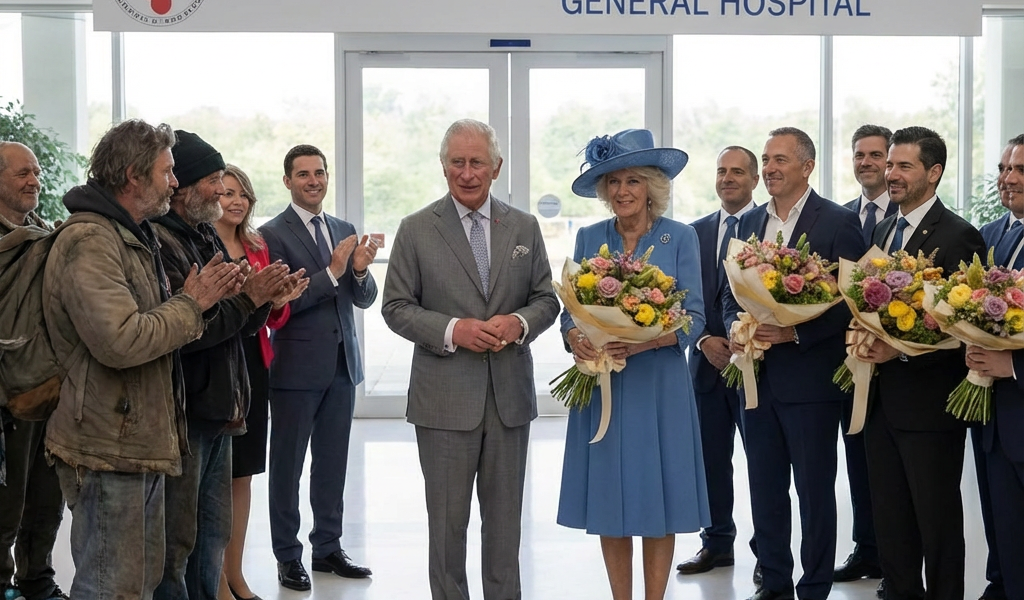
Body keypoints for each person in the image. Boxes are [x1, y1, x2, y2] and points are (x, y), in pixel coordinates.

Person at [43, 119, 242, 599]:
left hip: (138, 440)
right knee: (111, 585)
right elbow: (121, 341)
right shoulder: (90, 240)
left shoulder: (131, 234)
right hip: (107, 445)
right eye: (166, 171)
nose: (174, 182)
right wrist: (192, 304)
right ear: (133, 176)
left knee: (141, 581)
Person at [381, 119, 559, 600]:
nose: (466, 172)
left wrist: (518, 323)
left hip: (508, 402)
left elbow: (546, 299)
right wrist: (452, 330)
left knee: (505, 528)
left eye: (476, 162)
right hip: (442, 403)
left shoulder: (524, 226)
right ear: (443, 167)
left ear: (495, 167)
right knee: (446, 530)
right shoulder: (415, 229)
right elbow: (395, 307)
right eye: (456, 162)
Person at [556, 128, 708, 600]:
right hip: (604, 386)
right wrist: (575, 337)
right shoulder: (589, 237)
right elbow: (569, 310)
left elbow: (695, 318)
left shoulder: (680, 237)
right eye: (614, 181)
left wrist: (643, 343)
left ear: (652, 186)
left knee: (660, 497)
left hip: (659, 387)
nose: (622, 191)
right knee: (610, 498)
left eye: (633, 181)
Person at [722, 127, 865, 600]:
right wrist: (737, 326)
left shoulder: (839, 222)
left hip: (811, 383)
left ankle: (815, 586)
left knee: (814, 491)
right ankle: (775, 582)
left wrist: (795, 332)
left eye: (779, 160)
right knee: (764, 488)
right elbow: (729, 292)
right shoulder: (748, 223)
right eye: (766, 160)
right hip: (755, 378)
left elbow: (851, 302)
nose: (769, 169)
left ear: (807, 166)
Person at [151, 131, 295, 600]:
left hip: (221, 408)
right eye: (214, 181)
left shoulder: (203, 234)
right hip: (188, 411)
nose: (221, 190)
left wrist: (261, 299)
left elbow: (235, 324)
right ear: (185, 185)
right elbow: (189, 331)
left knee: (212, 534)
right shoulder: (161, 241)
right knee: (178, 540)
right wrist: (249, 299)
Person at [859, 126, 985, 600]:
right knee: (891, 523)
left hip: (930, 409)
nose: (891, 173)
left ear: (933, 173)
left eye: (903, 166)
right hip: (880, 404)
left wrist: (899, 349)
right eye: (890, 164)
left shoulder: (959, 235)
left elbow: (965, 329)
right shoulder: (882, 229)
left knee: (937, 525)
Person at [259, 144, 378, 591]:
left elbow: (362, 298)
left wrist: (359, 272)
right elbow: (281, 304)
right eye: (304, 174)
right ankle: (287, 556)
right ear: (287, 181)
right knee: (287, 468)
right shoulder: (271, 235)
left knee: (332, 464)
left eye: (320, 173)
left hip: (342, 365)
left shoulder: (344, 229)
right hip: (295, 369)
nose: (314, 181)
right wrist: (331, 272)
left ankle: (327, 548)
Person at [213, 164, 306, 600]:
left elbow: (273, 318)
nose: (236, 201)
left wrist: (279, 301)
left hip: (254, 363)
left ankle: (236, 575)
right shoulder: (200, 243)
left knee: (243, 474)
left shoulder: (256, 245)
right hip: (216, 363)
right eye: (227, 193)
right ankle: (214, 580)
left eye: (243, 194)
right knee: (215, 477)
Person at [677, 145, 758, 577]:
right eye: (722, 171)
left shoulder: (770, 228)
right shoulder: (694, 232)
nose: (728, 178)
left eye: (738, 171)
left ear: (755, 180)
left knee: (763, 463)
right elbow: (681, 298)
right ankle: (716, 543)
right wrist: (704, 339)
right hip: (706, 365)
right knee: (710, 459)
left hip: (757, 365)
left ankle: (768, 552)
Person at [0, 141, 67, 600]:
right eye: (23, 173)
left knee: (47, 496)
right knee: (6, 501)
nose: (34, 181)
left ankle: (37, 578)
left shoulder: (47, 236)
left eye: (37, 172)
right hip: (6, 392)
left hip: (49, 386)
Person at [963, 134, 1024, 600]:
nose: (1008, 178)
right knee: (1002, 520)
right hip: (991, 416)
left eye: (1020, 169)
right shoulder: (989, 234)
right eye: (1004, 168)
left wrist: (1014, 366)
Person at [834, 124, 893, 588]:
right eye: (860, 155)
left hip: (898, 363)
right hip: (849, 363)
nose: (866, 162)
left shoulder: (908, 217)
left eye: (876, 155)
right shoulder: (841, 217)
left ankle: (896, 558)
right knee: (858, 458)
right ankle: (866, 548)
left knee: (895, 470)